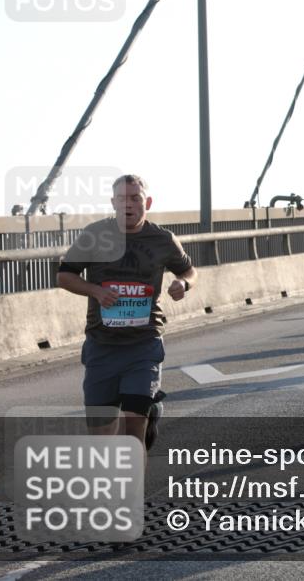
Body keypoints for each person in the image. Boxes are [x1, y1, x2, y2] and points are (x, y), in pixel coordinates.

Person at [57, 174, 197, 453]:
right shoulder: (95, 234)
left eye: (135, 198)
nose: (128, 204)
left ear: (147, 201)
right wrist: (95, 291)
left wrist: (183, 283)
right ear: (113, 202)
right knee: (101, 439)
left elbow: (189, 270)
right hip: (102, 345)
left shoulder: (163, 239)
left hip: (144, 344)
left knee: (134, 430)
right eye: (121, 199)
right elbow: (65, 275)